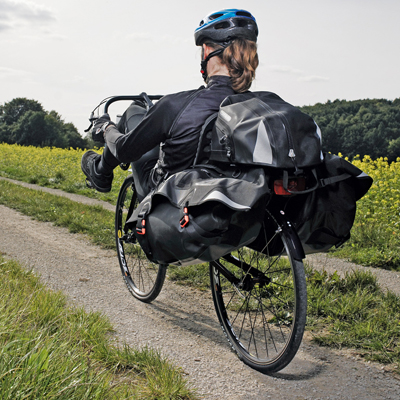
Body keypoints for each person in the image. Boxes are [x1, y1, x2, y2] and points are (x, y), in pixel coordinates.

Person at [81, 9, 259, 196]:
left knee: (133, 111)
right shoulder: (261, 107)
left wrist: (107, 128)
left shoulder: (175, 105)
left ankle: (100, 171)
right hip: (234, 195)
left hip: (169, 195)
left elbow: (124, 150)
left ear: (206, 49)